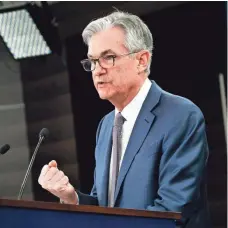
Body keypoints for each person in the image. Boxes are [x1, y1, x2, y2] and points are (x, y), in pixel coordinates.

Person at [38, 11, 211, 228]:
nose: (97, 71)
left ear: (141, 60)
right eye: (92, 61)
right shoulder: (106, 125)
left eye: (108, 58)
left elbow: (172, 211)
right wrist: (72, 197)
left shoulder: (181, 115)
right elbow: (105, 207)